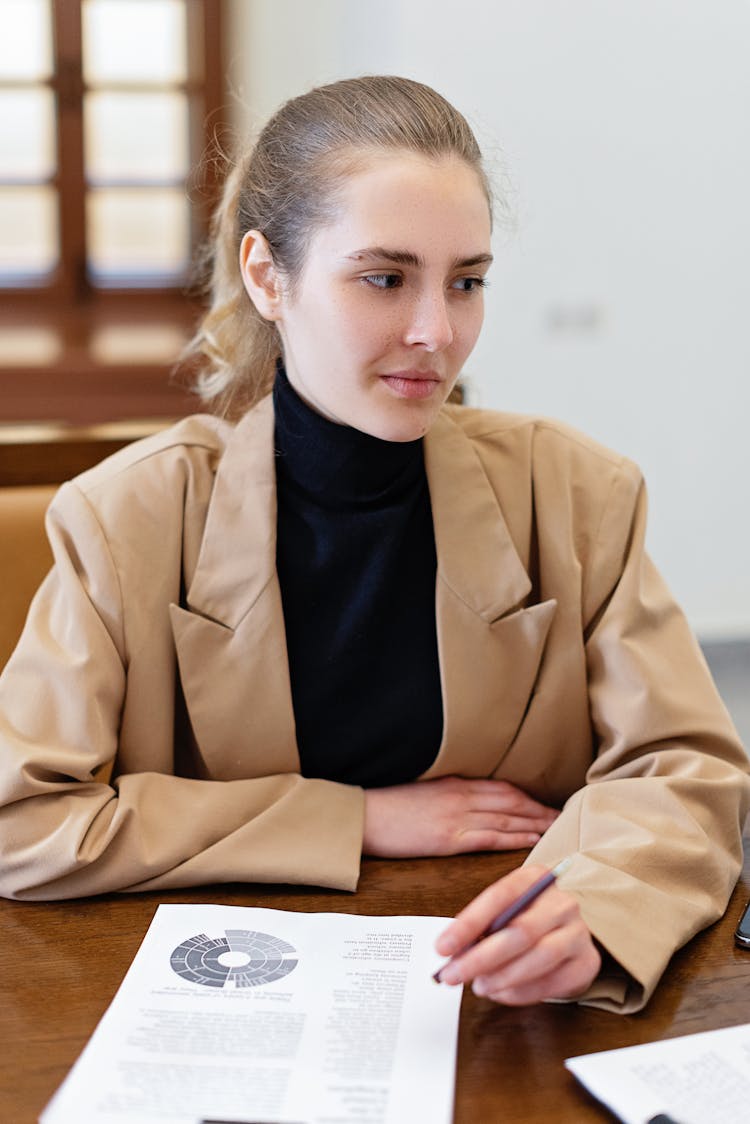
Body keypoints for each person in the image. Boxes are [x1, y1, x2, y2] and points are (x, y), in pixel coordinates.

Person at [0, 76, 747, 1015]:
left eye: (466, 282)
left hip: (503, 1007)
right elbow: (25, 820)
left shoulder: (577, 493)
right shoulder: (128, 518)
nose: (438, 333)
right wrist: (354, 820)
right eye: (385, 279)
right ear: (269, 277)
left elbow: (687, 771)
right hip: (223, 1003)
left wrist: (596, 910)